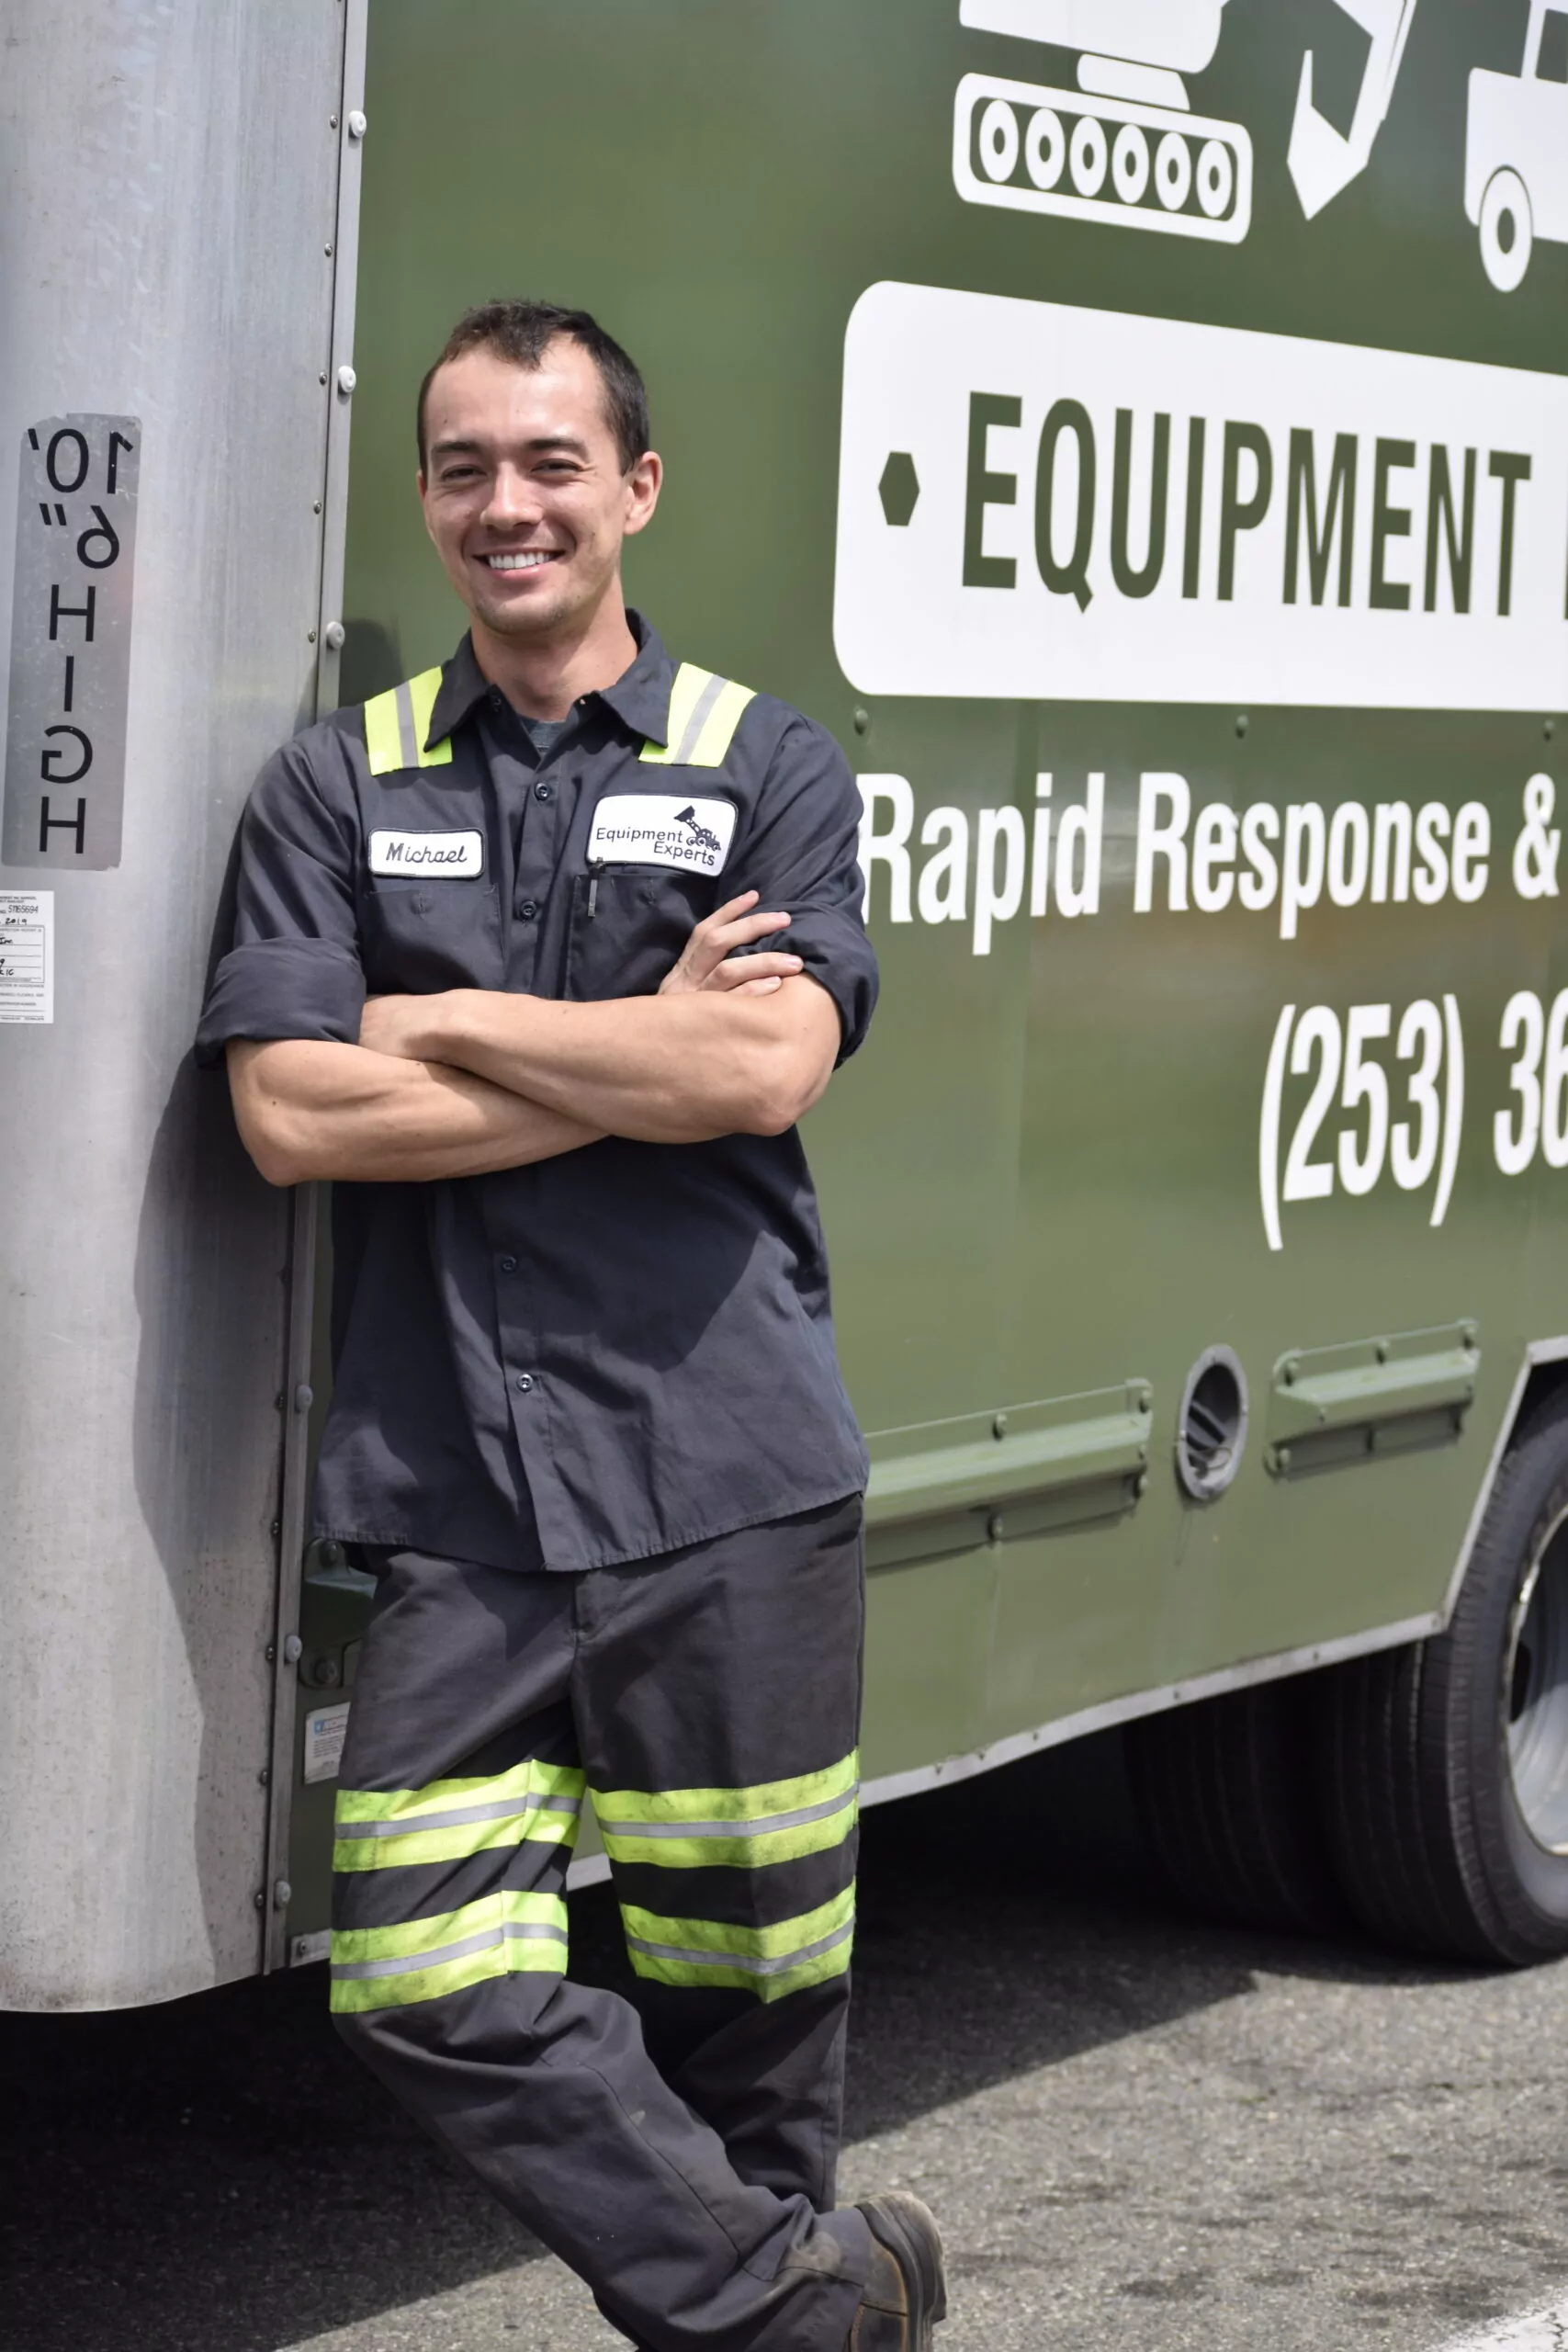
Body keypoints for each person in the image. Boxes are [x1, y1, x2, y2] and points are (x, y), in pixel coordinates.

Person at [197, 300, 947, 2352]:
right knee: (420, 1965)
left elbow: (760, 1074)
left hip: (731, 1477)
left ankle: (778, 2300)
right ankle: (818, 2305)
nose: (503, 504)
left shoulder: (763, 762)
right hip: (460, 1487)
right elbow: (282, 1112)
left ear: (633, 485)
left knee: (747, 2027)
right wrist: (640, 1041)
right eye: (460, 466)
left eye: (546, 462)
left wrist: (428, 1013)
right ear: (427, 498)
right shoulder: (336, 784)